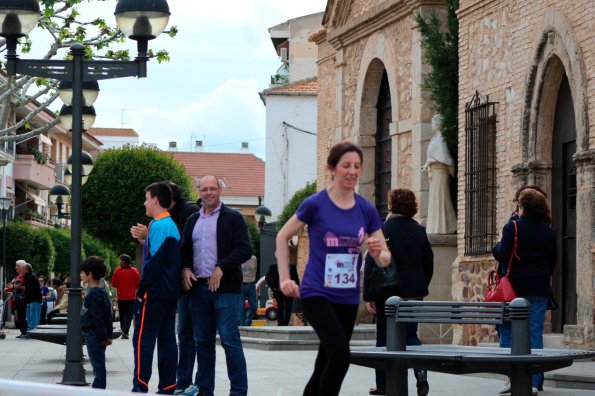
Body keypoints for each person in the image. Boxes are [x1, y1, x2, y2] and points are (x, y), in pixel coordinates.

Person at [275, 142, 391, 396]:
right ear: (332, 168)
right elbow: (282, 236)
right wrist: (285, 277)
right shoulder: (315, 204)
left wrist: (377, 252)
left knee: (324, 363)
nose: (352, 171)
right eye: (346, 165)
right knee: (340, 356)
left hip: (348, 297)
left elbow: (385, 258)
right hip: (317, 293)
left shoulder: (366, 209)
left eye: (357, 166)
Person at [179, 175, 252, 396]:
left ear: (220, 190)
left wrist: (221, 267)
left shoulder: (233, 218)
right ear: (199, 192)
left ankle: (238, 391)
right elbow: (183, 251)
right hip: (199, 289)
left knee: (230, 341)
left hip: (226, 290)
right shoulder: (192, 220)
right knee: (202, 342)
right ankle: (204, 389)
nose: (208, 193)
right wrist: (185, 268)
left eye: (212, 188)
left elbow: (244, 249)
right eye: (204, 189)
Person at [363, 188, 434, 396]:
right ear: (412, 206)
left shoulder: (382, 230)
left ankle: (383, 385)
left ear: (391, 204)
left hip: (387, 293)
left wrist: (369, 295)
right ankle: (420, 371)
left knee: (384, 339)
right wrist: (420, 284)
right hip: (414, 290)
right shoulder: (419, 230)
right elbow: (428, 263)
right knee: (410, 334)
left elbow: (370, 264)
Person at [132, 181, 199, 393]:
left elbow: (155, 263)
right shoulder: (171, 225)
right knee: (168, 339)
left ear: (154, 200)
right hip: (170, 293)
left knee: (143, 339)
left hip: (156, 292)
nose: (144, 203)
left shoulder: (158, 225)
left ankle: (140, 386)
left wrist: (142, 290)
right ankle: (168, 385)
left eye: (146, 198)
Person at [493, 188, 556, 396]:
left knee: (508, 332)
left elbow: (502, 253)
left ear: (522, 207)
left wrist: (496, 247)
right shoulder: (549, 231)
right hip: (539, 288)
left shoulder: (513, 227)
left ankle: (512, 377)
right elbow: (552, 261)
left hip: (514, 289)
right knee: (535, 333)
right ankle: (534, 382)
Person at [80, 256, 113, 389]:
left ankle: (98, 391)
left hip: (94, 335)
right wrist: (108, 335)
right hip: (96, 334)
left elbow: (98, 318)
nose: (80, 275)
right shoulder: (101, 292)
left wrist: (104, 337)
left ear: (90, 274)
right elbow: (108, 316)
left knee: (98, 367)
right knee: (98, 365)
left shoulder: (93, 294)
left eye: (82, 272)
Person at [421, 114, 457, 234]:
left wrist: (430, 162)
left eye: (433, 122)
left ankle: (445, 227)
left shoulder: (441, 139)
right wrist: (426, 165)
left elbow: (445, 158)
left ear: (438, 124)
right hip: (435, 173)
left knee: (441, 199)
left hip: (440, 173)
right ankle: (435, 228)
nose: (431, 125)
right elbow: (433, 157)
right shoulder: (434, 139)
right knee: (435, 201)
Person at [110, 254, 140, 339]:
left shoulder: (117, 271)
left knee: (122, 314)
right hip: (131, 297)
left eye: (120, 260)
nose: (119, 261)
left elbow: (113, 283)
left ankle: (124, 330)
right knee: (129, 314)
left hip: (121, 297)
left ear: (123, 261)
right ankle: (125, 331)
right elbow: (138, 284)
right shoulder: (134, 271)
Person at [15, 262, 42, 336]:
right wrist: (15, 287)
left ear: (27, 270)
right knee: (29, 317)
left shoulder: (32, 277)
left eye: (22, 269)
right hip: (30, 300)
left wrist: (18, 287)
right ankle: (30, 332)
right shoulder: (27, 277)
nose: (21, 271)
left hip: (35, 300)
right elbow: (24, 287)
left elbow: (28, 288)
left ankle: (34, 333)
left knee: (34, 318)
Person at [8, 261, 27, 337]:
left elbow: (22, 287)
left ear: (22, 267)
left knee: (22, 316)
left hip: (22, 300)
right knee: (19, 316)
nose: (16, 267)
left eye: (17, 266)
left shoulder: (24, 276)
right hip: (16, 299)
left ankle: (24, 332)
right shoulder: (17, 276)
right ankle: (22, 331)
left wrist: (14, 287)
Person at [238, 255, 258, 326]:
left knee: (254, 307)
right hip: (241, 285)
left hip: (251, 284)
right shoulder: (239, 258)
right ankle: (242, 326)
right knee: (241, 308)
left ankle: (248, 321)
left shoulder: (254, 258)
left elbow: (255, 271)